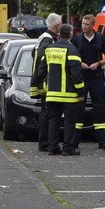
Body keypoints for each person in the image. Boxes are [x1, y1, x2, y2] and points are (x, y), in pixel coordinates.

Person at [35, 23, 85, 156]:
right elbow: (76, 76)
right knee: (69, 122)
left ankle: (52, 148)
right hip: (69, 95)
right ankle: (68, 148)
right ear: (71, 34)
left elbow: (41, 71)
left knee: (53, 121)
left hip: (51, 94)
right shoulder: (72, 50)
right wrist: (81, 92)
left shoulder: (49, 49)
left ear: (59, 34)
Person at [72, 14, 105, 149]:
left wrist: (98, 63)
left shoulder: (100, 38)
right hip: (82, 76)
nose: (84, 26)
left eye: (87, 24)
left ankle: (103, 140)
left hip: (96, 76)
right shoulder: (77, 39)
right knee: (79, 106)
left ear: (93, 25)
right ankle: (74, 140)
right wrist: (80, 63)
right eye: (83, 24)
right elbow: (71, 56)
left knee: (100, 107)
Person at [30, 13, 62, 152]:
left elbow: (34, 55)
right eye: (60, 23)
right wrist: (44, 77)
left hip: (41, 81)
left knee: (46, 112)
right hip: (45, 83)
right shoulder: (48, 40)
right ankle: (45, 143)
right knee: (47, 113)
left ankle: (45, 142)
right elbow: (43, 60)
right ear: (57, 25)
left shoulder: (44, 38)